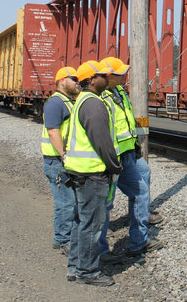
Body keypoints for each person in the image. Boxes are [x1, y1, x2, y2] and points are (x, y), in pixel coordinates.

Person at [98, 57, 163, 263]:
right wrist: (110, 159)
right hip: (113, 157)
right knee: (105, 203)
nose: (125, 75)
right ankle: (100, 251)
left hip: (128, 153)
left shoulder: (119, 93)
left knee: (142, 185)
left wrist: (135, 147)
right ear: (109, 76)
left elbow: (126, 123)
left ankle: (138, 241)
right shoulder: (100, 98)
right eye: (120, 72)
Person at [64, 60, 122, 286]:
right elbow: (102, 142)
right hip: (92, 174)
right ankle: (87, 272)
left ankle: (75, 267)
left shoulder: (83, 101)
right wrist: (115, 166)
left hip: (81, 172)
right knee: (93, 224)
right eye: (103, 76)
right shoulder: (93, 104)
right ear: (92, 79)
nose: (108, 79)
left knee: (81, 222)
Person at [41, 66, 80, 254]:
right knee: (68, 203)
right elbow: (52, 130)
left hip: (58, 160)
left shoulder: (67, 101)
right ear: (62, 81)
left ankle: (60, 238)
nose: (77, 82)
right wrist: (63, 155)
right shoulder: (56, 103)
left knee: (64, 201)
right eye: (74, 79)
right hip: (56, 161)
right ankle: (65, 241)